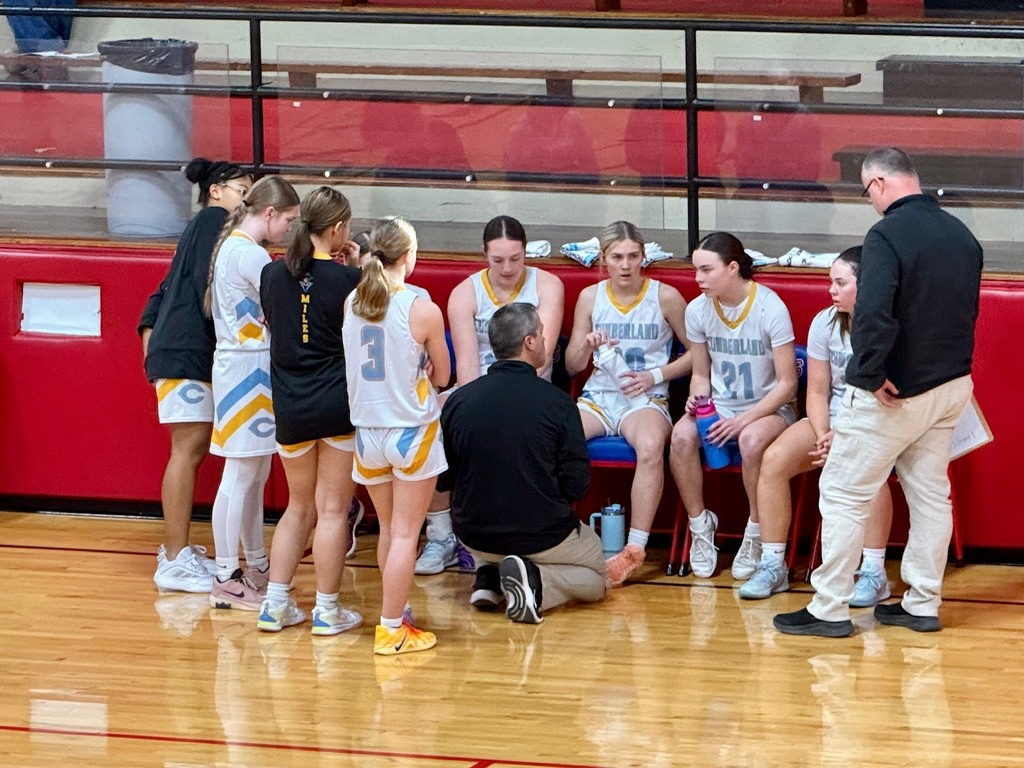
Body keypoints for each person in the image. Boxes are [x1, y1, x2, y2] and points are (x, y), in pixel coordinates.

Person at [775, 147, 982, 637]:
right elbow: (966, 313)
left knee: (844, 492)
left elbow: (871, 311)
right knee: (932, 496)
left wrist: (869, 374)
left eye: (867, 191)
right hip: (953, 384)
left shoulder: (886, 233)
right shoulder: (961, 233)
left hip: (897, 390)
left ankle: (828, 608)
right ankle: (921, 603)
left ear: (879, 184)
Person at [415, 215, 564, 576]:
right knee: (429, 415)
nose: (508, 268)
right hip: (479, 387)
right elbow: (465, 367)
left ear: (526, 253)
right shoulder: (466, 292)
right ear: (484, 255)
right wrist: (483, 408)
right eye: (498, 260)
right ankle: (441, 535)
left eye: (516, 258)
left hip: (531, 387)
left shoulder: (548, 285)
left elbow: (541, 361)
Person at [742, 246, 894, 601]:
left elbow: (889, 394)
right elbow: (817, 391)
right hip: (829, 419)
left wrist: (843, 437)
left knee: (864, 467)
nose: (832, 290)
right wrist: (825, 433)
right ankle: (774, 564)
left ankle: (873, 572)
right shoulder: (824, 322)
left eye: (840, 283)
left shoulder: (890, 324)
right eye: (831, 282)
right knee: (774, 460)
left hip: (878, 419)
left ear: (866, 284)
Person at [441, 302, 607, 623]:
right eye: (543, 334)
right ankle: (536, 584)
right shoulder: (557, 403)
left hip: (473, 534)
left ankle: (488, 578)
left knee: (492, 523)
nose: (546, 342)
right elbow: (577, 484)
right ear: (529, 342)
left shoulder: (458, 401)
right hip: (541, 534)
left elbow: (443, 479)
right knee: (597, 578)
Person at [140, 158, 253, 593]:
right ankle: (172, 559)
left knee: (192, 450)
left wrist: (149, 334)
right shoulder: (213, 222)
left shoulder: (202, 227)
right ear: (216, 191)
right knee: (186, 452)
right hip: (186, 353)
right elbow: (218, 286)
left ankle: (178, 551)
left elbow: (165, 288)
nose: (246, 199)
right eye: (241, 190)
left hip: (183, 351)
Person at [255, 186, 364, 635]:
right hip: (337, 404)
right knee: (333, 509)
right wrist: (355, 268)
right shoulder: (349, 281)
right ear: (337, 229)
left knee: (298, 508)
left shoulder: (271, 275)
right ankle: (326, 610)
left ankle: (275, 605)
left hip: (291, 406)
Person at [342, 216, 450, 655]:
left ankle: (396, 612)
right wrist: (425, 366)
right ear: (410, 256)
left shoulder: (352, 300)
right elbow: (442, 375)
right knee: (407, 534)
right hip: (410, 431)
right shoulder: (421, 307)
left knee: (389, 530)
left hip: (367, 432)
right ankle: (390, 628)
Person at [564, 221, 691, 586]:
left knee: (651, 445)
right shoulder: (591, 297)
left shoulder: (665, 297)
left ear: (643, 257)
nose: (625, 265)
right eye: (617, 257)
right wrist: (587, 345)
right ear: (604, 258)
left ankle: (634, 549)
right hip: (600, 396)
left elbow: (699, 356)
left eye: (633, 256)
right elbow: (572, 365)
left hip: (646, 397)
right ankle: (551, 535)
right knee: (551, 435)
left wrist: (655, 375)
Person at [669, 232, 798, 579]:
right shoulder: (698, 310)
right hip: (722, 405)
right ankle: (700, 526)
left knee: (751, 440)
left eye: (706, 270)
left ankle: (757, 530)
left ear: (732, 268)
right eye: (695, 270)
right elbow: (700, 372)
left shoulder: (770, 307)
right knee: (680, 437)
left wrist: (744, 420)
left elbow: (788, 385)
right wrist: (697, 401)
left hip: (769, 407)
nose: (698, 279)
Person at [205, 175, 301, 611]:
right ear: (268, 214)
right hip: (245, 371)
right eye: (289, 220)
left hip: (251, 368)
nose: (290, 229)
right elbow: (286, 295)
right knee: (240, 476)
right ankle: (226, 574)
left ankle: (255, 563)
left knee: (255, 475)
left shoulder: (240, 251)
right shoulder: (248, 254)